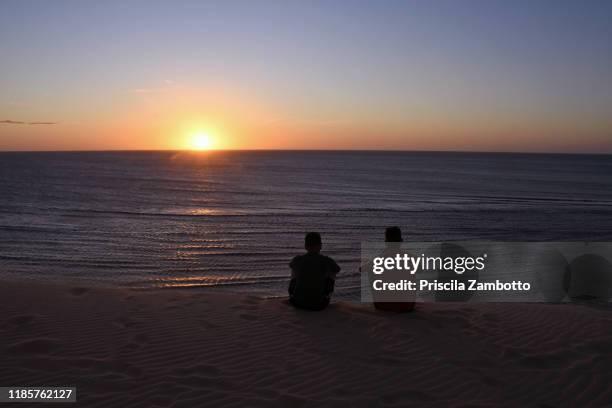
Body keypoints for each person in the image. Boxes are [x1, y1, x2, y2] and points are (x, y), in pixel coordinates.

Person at [288, 232, 340, 310]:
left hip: (296, 303)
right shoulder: (326, 260)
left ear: (305, 246)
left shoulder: (297, 259)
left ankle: (292, 294)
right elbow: (337, 269)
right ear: (320, 246)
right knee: (332, 271)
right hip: (320, 305)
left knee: (295, 269)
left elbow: (291, 265)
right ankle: (326, 295)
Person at [373, 227, 416, 313]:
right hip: (406, 306)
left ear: (386, 242)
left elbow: (361, 269)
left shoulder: (381, 257)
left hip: (383, 305)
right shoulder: (410, 256)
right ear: (401, 241)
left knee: (373, 270)